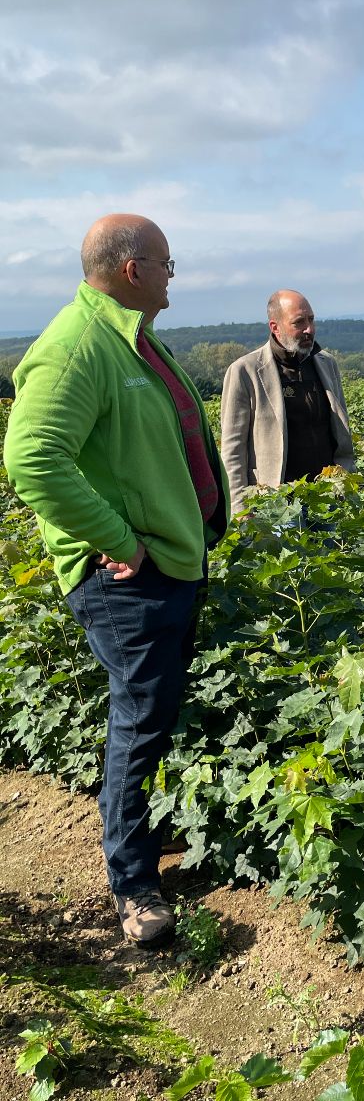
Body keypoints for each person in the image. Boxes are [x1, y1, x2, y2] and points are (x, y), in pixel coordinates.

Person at [3, 214, 229, 947]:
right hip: (130, 575)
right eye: (167, 263)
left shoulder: (131, 335)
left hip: (169, 562)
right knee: (138, 720)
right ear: (133, 270)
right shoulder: (76, 347)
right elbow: (33, 460)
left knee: (153, 712)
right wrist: (119, 539)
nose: (173, 275)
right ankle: (133, 884)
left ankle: (143, 836)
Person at [220, 289, 355, 512]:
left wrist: (346, 481)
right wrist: (240, 509)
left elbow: (340, 431)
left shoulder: (327, 364)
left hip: (329, 499)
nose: (309, 329)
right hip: (275, 504)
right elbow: (233, 451)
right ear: (275, 327)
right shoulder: (245, 371)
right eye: (299, 322)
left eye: (311, 320)